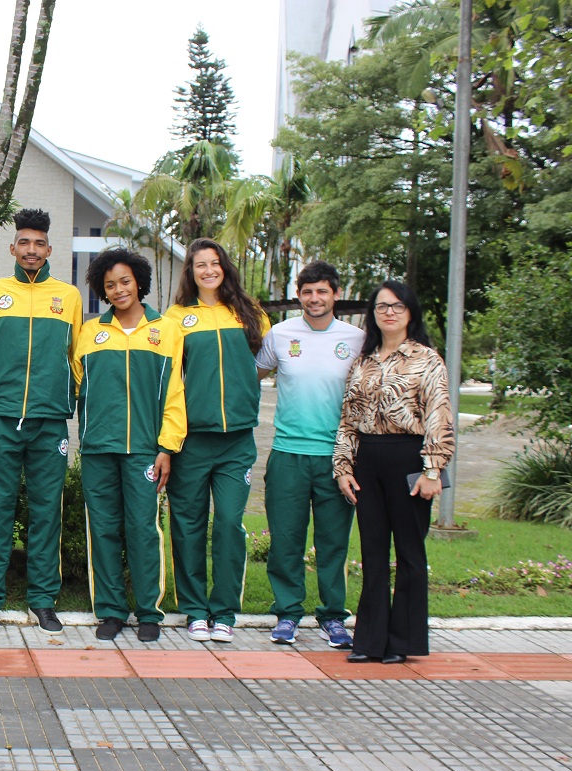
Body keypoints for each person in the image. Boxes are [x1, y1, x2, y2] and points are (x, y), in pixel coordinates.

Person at [0, 208, 82, 635]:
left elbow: (75, 356)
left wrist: (61, 398)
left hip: (50, 422)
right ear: (12, 247)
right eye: (24, 243)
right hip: (2, 420)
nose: (31, 250)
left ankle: (42, 599)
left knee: (46, 512)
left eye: (39, 243)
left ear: (49, 249)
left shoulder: (67, 296)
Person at [335, 279, 454, 664]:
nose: (389, 312)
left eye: (397, 306)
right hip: (367, 461)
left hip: (408, 460)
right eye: (382, 306)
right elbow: (348, 420)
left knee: (409, 553)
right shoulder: (362, 362)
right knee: (371, 553)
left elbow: (439, 416)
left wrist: (432, 470)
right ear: (373, 313)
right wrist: (343, 468)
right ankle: (369, 640)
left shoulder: (427, 360)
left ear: (410, 313)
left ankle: (402, 642)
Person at [73, 247, 186, 642]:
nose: (119, 290)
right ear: (102, 292)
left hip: (143, 448)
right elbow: (75, 385)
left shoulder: (166, 330)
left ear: (139, 281)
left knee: (142, 528)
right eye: (110, 285)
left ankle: (149, 612)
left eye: (124, 281)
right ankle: (110, 611)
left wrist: (166, 446)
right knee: (102, 528)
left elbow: (174, 393)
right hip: (98, 448)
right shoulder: (91, 333)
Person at [165, 238, 270, 643]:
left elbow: (262, 363)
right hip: (191, 441)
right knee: (188, 526)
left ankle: (224, 611)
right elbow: (171, 379)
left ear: (224, 267)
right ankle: (194, 610)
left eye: (214, 263)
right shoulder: (176, 318)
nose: (208, 270)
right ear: (190, 272)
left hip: (236, 442)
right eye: (199, 265)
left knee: (228, 523)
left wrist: (241, 392)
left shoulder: (250, 312)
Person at [256, 260, 362, 649]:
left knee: (333, 542)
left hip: (337, 459)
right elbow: (252, 374)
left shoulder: (356, 339)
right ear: (298, 295)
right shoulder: (281, 334)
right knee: (286, 540)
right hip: (288, 454)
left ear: (336, 294)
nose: (314, 298)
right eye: (307, 291)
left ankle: (333, 617)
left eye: (322, 291)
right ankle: (287, 614)